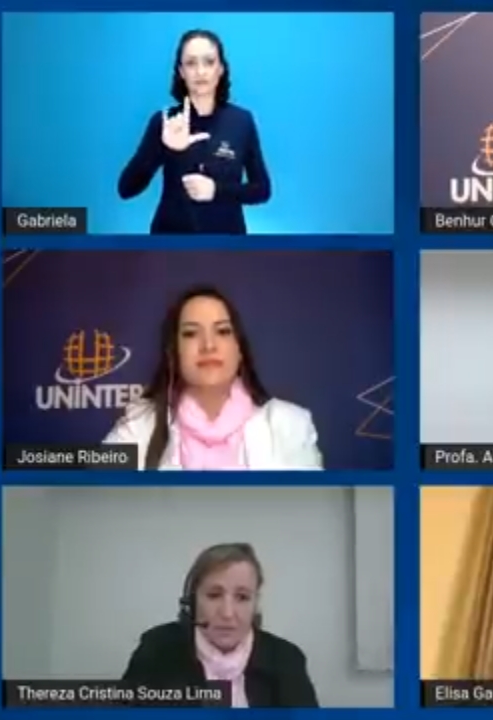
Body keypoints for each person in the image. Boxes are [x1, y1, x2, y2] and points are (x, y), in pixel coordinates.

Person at [103, 285, 321, 470]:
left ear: (239, 350)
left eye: (223, 331)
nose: (208, 345)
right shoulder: (140, 424)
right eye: (190, 333)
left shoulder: (290, 425)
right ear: (173, 352)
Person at [121, 543, 319, 708]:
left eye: (242, 597)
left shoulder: (286, 659)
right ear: (192, 601)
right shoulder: (157, 650)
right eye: (214, 595)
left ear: (255, 604)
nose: (227, 613)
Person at [117, 29, 272, 234]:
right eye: (191, 63)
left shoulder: (242, 121)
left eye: (209, 62)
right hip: (170, 242)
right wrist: (164, 147)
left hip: (227, 243)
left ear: (221, 68)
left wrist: (216, 191)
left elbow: (262, 190)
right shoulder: (166, 122)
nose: (200, 71)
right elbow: (126, 189)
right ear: (181, 71)